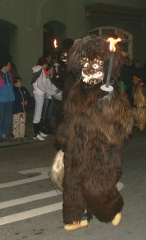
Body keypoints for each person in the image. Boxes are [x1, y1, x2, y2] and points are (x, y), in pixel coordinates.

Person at [49, 35, 133, 231]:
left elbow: (123, 125)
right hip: (77, 147)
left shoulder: (112, 91)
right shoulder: (77, 90)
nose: (88, 70)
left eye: (94, 66)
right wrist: (63, 141)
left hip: (101, 149)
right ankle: (78, 217)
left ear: (103, 67)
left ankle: (111, 210)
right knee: (73, 185)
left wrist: (108, 102)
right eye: (85, 65)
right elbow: (69, 117)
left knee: (97, 186)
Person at [0, 57, 15, 143]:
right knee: (0, 118)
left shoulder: (9, 75)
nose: (10, 67)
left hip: (9, 100)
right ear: (4, 66)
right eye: (9, 65)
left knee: (8, 119)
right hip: (0, 101)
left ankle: (6, 135)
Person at [38, 62, 61, 134]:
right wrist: (55, 92)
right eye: (52, 70)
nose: (53, 71)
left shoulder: (48, 77)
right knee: (45, 114)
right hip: (46, 97)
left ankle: (46, 128)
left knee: (48, 114)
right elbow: (47, 89)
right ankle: (43, 128)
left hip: (49, 97)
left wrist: (57, 91)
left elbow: (51, 86)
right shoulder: (45, 77)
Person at [31, 57, 48, 140]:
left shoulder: (36, 69)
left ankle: (38, 131)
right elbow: (40, 84)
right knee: (38, 113)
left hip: (37, 92)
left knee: (38, 112)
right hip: (39, 93)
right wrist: (45, 91)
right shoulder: (40, 70)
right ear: (44, 63)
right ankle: (36, 133)